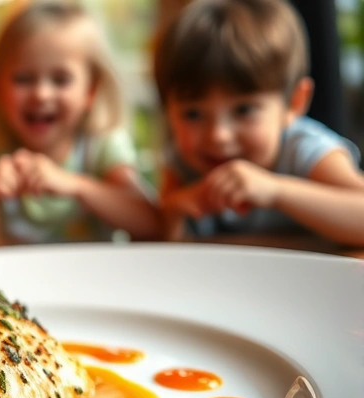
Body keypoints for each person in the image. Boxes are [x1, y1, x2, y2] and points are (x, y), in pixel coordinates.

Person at [0, 0, 159, 251]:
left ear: (91, 90)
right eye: (23, 78)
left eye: (60, 79)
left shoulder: (101, 149)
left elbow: (151, 223)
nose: (41, 94)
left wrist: (75, 186)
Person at [155, 0, 364, 245]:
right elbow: (170, 247)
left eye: (243, 110)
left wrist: (275, 191)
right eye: (192, 114)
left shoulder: (304, 150)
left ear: (294, 103)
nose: (218, 135)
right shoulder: (185, 161)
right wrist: (175, 211)